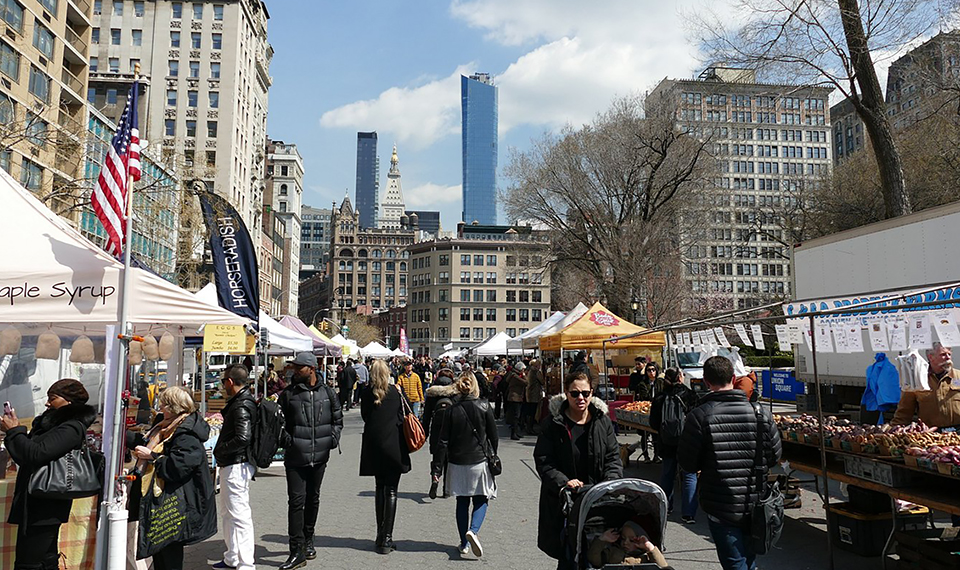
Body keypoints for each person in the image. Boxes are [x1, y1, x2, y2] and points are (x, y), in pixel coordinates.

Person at [678, 356, 781, 570]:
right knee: (748, 560)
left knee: (735, 563)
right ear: (734, 378)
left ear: (706, 381)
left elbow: (688, 463)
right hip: (756, 500)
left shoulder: (699, 416)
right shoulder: (761, 413)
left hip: (720, 502)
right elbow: (774, 457)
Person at [1, 379, 97, 570]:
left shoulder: (71, 428)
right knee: (43, 560)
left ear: (68, 401)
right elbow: (27, 454)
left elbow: (35, 454)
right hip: (37, 502)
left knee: (30, 563)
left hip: (46, 503)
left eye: (52, 398)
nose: (47, 403)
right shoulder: (51, 426)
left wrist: (14, 431)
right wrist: (16, 431)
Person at [534, 372, 623, 570]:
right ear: (566, 393)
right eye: (574, 393)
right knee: (569, 558)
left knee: (597, 556)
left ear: (592, 393)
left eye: (585, 393)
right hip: (566, 504)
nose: (580, 398)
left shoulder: (602, 421)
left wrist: (611, 482)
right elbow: (544, 460)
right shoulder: (553, 424)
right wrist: (564, 482)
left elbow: (613, 458)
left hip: (598, 501)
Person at [129, 386, 217, 570]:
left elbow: (177, 468)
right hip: (170, 500)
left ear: (173, 407)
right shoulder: (168, 426)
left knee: (169, 552)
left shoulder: (186, 434)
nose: (160, 407)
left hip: (176, 504)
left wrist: (152, 457)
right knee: (162, 550)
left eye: (163, 404)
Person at [278, 352, 344, 570]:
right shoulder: (288, 394)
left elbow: (338, 418)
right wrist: (288, 440)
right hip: (295, 456)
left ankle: (308, 539)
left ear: (312, 369)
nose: (295, 371)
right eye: (294, 368)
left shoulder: (328, 393)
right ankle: (296, 550)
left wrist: (332, 439)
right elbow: (279, 424)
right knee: (296, 502)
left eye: (300, 368)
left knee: (313, 498)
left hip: (320, 456)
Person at [436, 372, 498, 558]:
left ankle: (464, 543)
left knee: (462, 502)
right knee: (481, 499)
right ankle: (473, 530)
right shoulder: (485, 406)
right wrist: (492, 455)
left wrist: (436, 468)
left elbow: (443, 441)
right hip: (479, 461)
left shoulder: (451, 410)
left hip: (457, 462)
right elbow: (493, 437)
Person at [359, 360, 411, 554]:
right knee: (391, 490)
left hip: (374, 445)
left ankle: (380, 535)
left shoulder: (366, 393)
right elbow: (405, 413)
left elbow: (365, 416)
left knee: (379, 488)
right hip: (394, 445)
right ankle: (387, 538)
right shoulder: (396, 392)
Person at [213, 364, 258, 570]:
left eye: (224, 381)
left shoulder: (241, 405)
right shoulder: (241, 402)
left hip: (236, 465)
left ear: (230, 381)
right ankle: (232, 556)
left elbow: (243, 437)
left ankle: (246, 563)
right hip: (233, 464)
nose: (223, 385)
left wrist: (221, 450)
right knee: (228, 513)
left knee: (239, 514)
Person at [650, 367, 699, 523]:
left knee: (667, 474)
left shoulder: (660, 397)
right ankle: (688, 514)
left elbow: (653, 423)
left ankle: (666, 507)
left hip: (667, 442)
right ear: (679, 378)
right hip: (687, 442)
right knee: (689, 476)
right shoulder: (690, 395)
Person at [891, 342, 960, 426]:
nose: (948, 357)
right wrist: (894, 429)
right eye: (943, 354)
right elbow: (904, 411)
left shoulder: (958, 376)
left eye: (949, 354)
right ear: (931, 357)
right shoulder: (917, 380)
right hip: (931, 434)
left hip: (957, 432)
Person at [422, 367, 457, 499]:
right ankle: (447, 488)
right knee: (449, 457)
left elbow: (426, 415)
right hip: (452, 428)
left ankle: (435, 477)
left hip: (437, 427)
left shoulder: (432, 392)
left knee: (437, 455)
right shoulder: (454, 391)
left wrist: (424, 432)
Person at [586, 521, 669, 568]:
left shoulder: (648, 557)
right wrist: (602, 540)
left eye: (632, 540)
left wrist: (650, 548)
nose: (626, 543)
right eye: (623, 538)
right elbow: (594, 560)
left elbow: (664, 568)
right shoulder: (613, 552)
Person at [505, 361, 528, 440]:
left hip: (515, 397)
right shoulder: (515, 376)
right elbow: (526, 382)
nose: (523, 371)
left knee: (517, 415)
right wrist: (524, 376)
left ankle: (516, 432)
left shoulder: (513, 375)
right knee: (516, 416)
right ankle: (513, 433)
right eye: (523, 370)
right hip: (515, 397)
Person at [524, 360, 545, 434]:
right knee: (532, 411)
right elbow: (542, 381)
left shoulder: (530, 371)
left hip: (530, 393)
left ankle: (529, 427)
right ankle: (530, 428)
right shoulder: (536, 372)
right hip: (534, 394)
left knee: (530, 411)